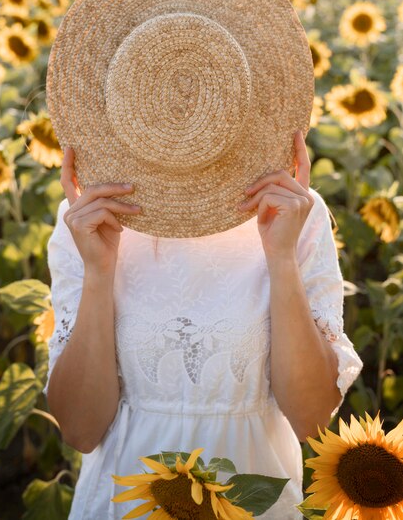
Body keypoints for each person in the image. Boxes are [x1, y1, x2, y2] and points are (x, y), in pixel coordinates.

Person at [43, 129, 363, 520]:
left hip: (255, 493)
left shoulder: (291, 210)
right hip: (124, 498)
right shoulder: (89, 218)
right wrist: (99, 269)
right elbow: (79, 429)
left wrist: (280, 257)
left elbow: (310, 419)